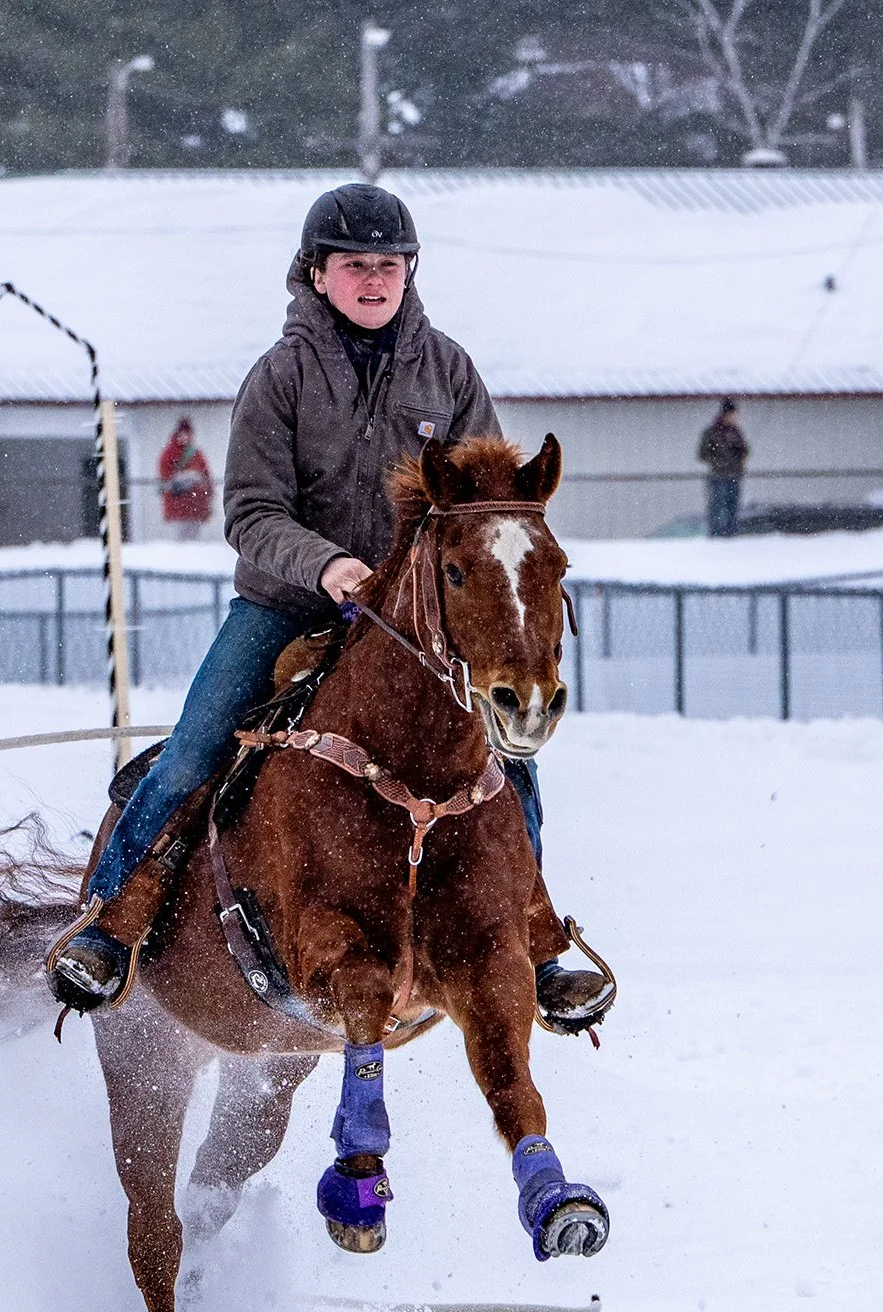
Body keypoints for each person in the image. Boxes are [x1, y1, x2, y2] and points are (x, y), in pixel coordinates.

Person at [46, 183, 613, 1040]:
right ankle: (109, 927)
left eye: (390, 265)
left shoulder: (448, 371)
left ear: (409, 272)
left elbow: (491, 498)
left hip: (422, 623)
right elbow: (251, 513)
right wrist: (329, 567)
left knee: (510, 760)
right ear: (317, 273)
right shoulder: (279, 377)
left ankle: (538, 945)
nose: (375, 280)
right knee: (195, 749)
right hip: (285, 606)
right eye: (356, 266)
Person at [698, 399, 750, 537]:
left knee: (733, 507)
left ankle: (731, 534)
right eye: (732, 415)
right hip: (718, 476)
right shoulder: (712, 433)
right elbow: (702, 454)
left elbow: (744, 451)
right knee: (717, 507)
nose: (734, 418)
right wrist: (719, 460)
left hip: (735, 475)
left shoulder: (737, 433)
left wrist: (740, 451)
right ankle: (716, 535)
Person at [157, 416, 215, 539]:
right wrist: (184, 479)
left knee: (195, 539)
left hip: (196, 504)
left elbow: (206, 475)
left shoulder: (197, 454)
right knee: (179, 539)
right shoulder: (168, 453)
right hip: (177, 503)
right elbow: (165, 477)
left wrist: (208, 492)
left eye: (188, 434)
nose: (185, 437)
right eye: (182, 434)